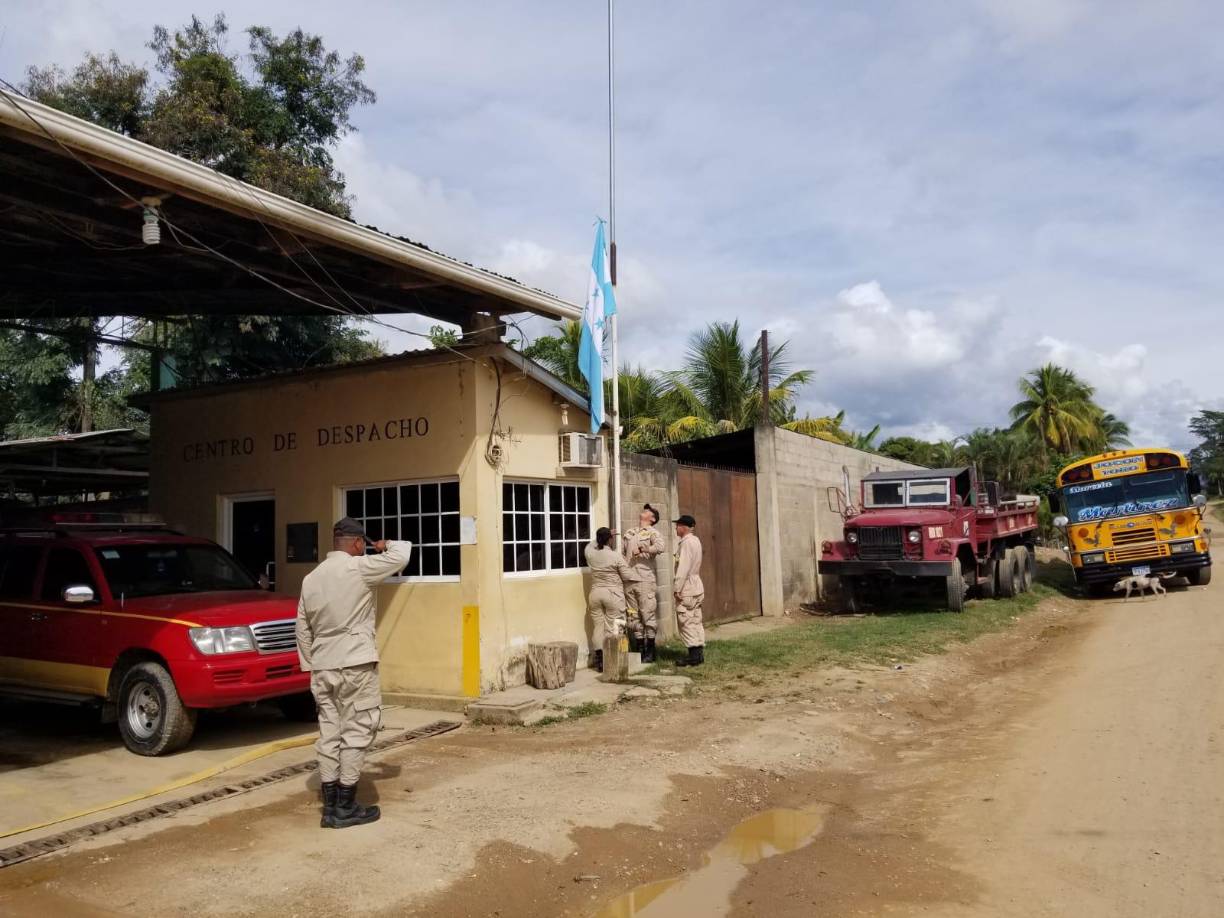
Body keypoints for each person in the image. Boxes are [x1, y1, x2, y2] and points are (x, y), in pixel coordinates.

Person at [296, 518, 413, 829]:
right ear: (358, 543)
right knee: (358, 730)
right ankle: (346, 806)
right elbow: (402, 555)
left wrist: (312, 664)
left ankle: (330, 806)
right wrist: (385, 545)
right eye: (364, 544)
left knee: (329, 734)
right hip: (355, 664)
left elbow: (302, 630)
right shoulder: (359, 568)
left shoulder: (310, 578)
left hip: (323, 666)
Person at [584, 526, 639, 672]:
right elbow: (627, 575)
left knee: (598, 627)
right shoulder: (615, 556)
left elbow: (589, 545)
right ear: (610, 539)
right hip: (612, 594)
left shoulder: (590, 553)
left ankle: (600, 660)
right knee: (614, 626)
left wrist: (600, 537)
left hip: (595, 594)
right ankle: (612, 659)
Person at [622, 504, 664, 662]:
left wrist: (644, 549)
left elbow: (661, 547)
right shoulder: (630, 532)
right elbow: (622, 553)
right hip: (629, 579)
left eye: (648, 511)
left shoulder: (653, 533)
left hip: (645, 579)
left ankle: (651, 650)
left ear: (652, 519)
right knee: (633, 616)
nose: (644, 511)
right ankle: (639, 648)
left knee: (647, 614)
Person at [672, 514, 705, 667]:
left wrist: (677, 588)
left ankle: (693, 656)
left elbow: (683, 567)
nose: (675, 528)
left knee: (685, 621)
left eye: (677, 525)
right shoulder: (696, 540)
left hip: (687, 585)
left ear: (683, 527)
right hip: (696, 584)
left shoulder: (685, 544)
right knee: (696, 619)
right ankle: (698, 654)